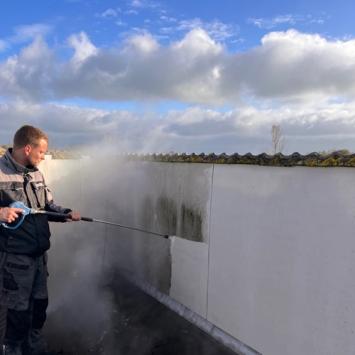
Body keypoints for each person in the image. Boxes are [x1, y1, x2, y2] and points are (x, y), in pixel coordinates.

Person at [0, 126, 80, 355]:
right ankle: (12, 349)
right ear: (27, 148)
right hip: (14, 260)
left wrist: (65, 213)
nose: (43, 157)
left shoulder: (36, 173)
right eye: (41, 152)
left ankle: (34, 346)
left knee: (39, 307)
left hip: (38, 258)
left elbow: (45, 207)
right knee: (17, 312)